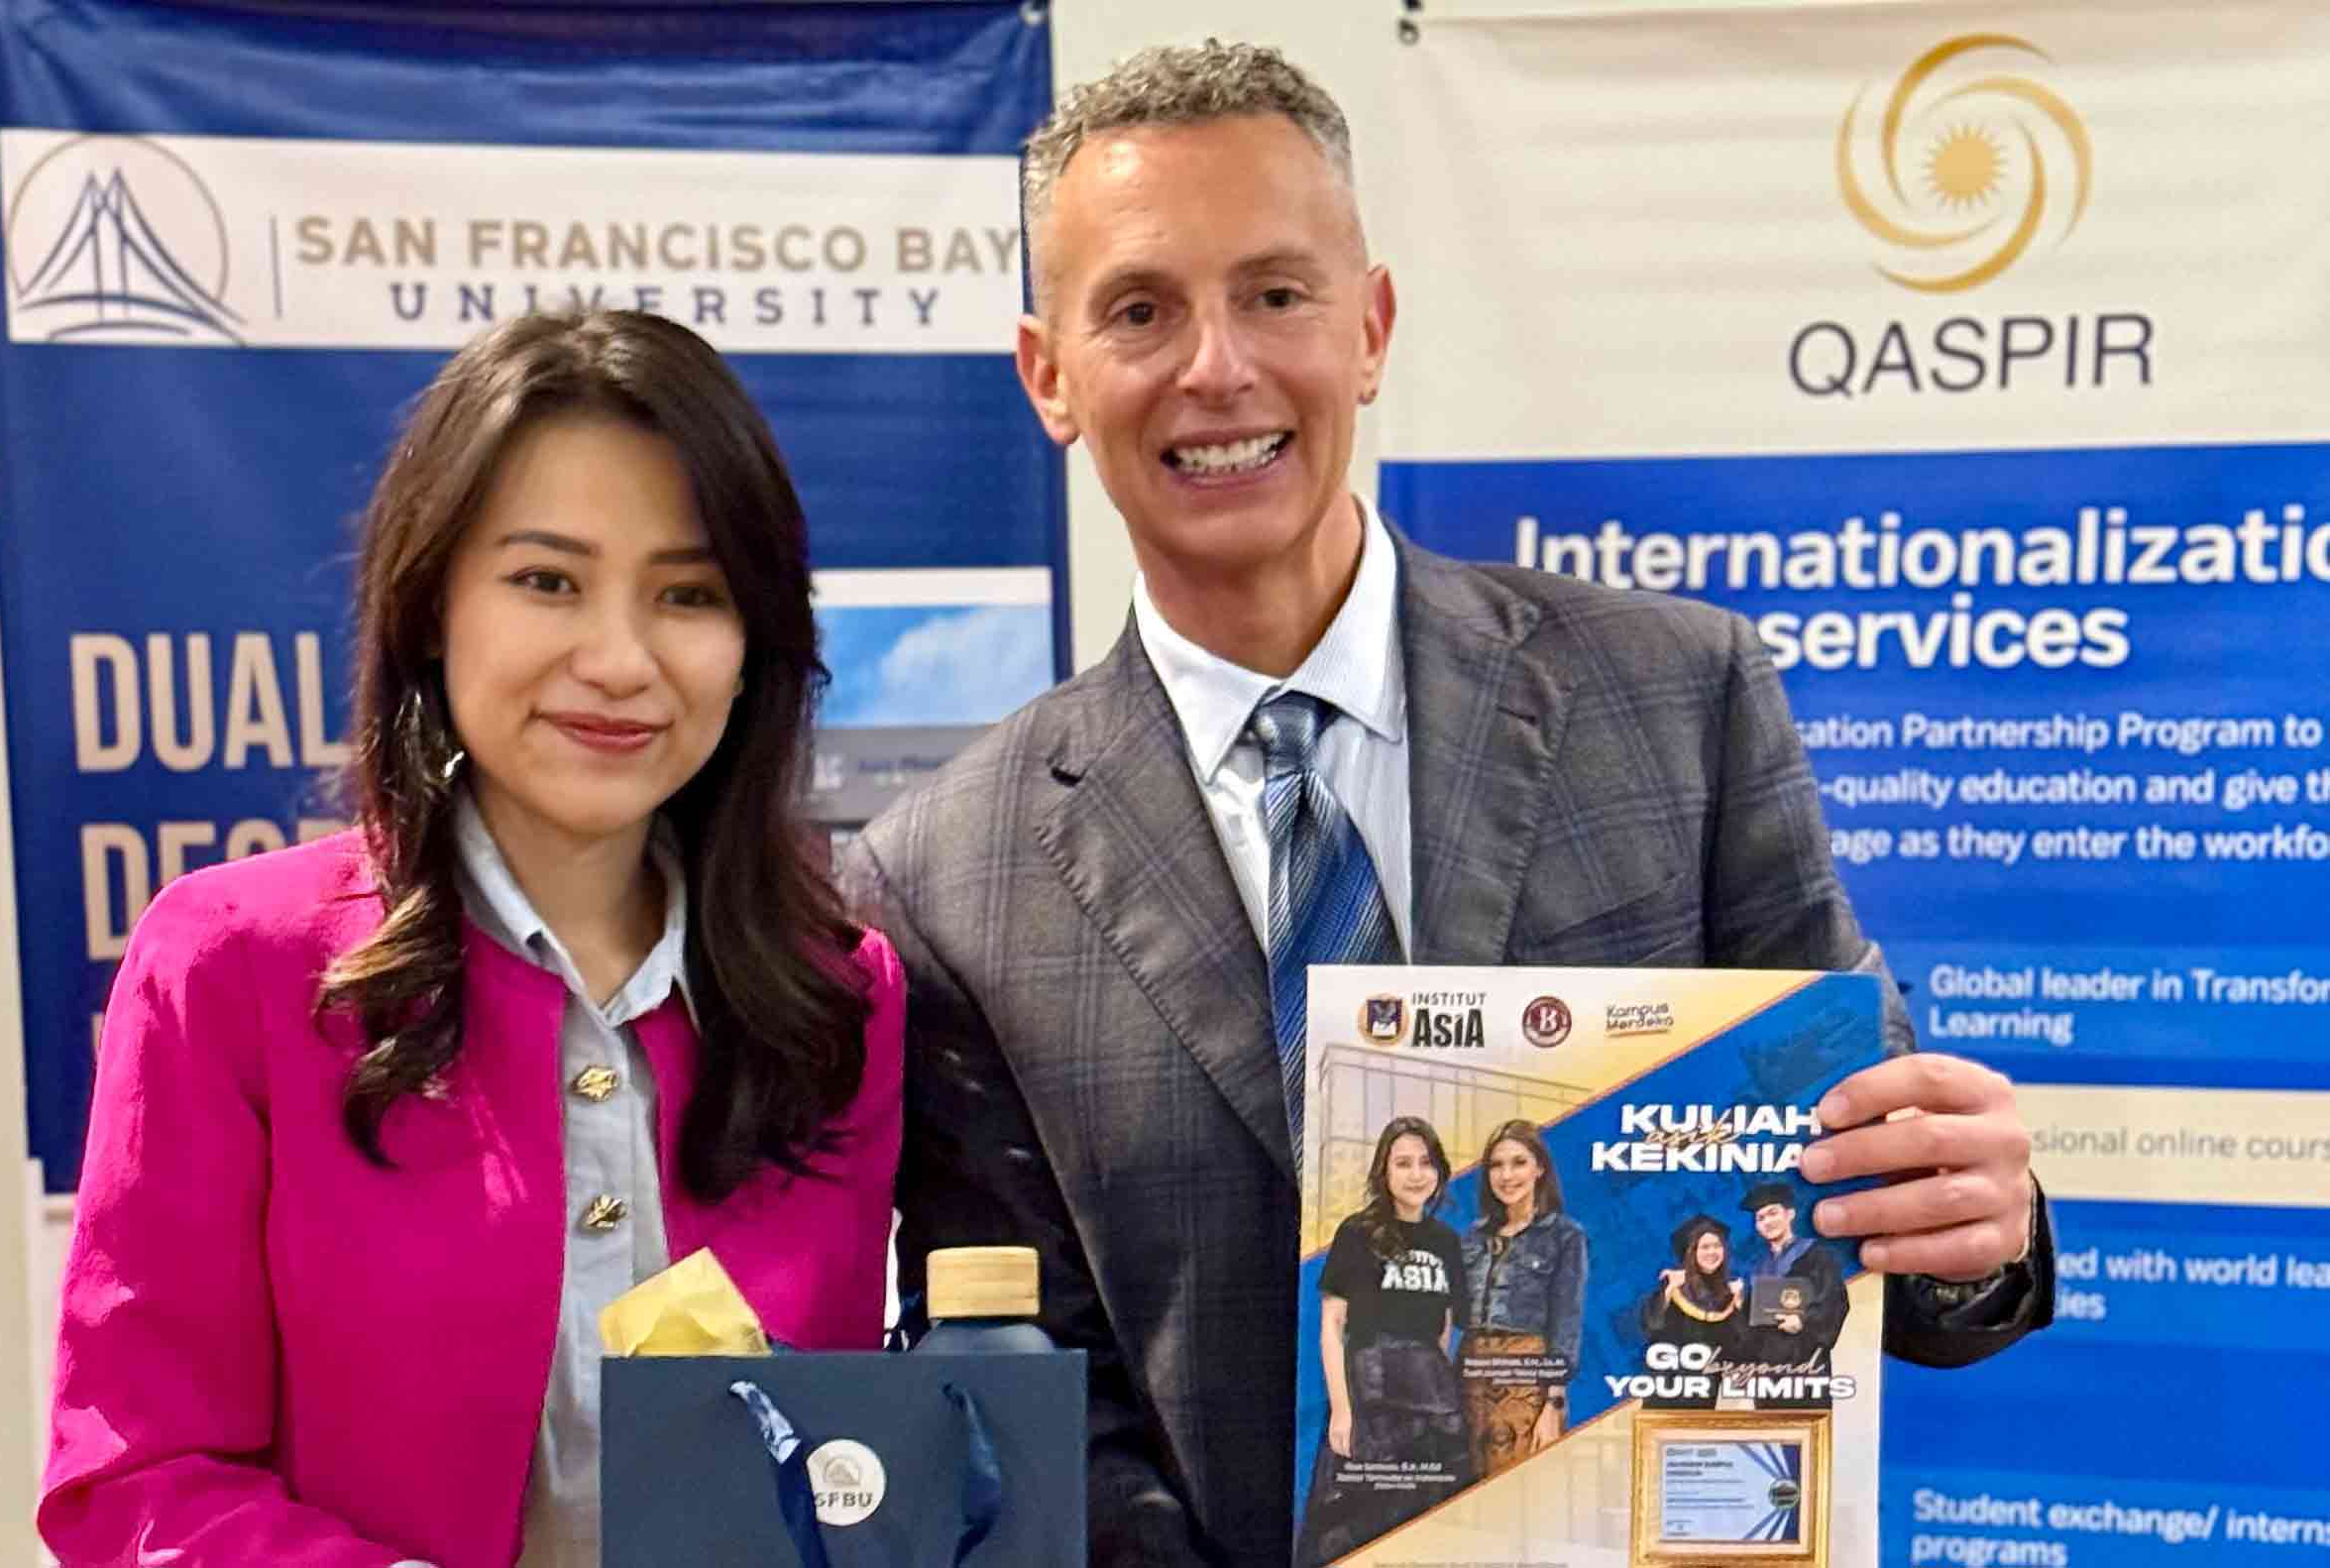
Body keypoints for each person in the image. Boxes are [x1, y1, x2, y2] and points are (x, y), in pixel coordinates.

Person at [840, 42, 2053, 1566]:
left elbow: (1852, 1205)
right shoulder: (945, 877)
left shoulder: (1677, 697)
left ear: (1370, 327)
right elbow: (1034, 1392)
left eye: (1277, 293)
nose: (1216, 365)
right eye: (1140, 309)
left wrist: (1960, 1224)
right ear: (1049, 376)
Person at [39, 310, 906, 1568]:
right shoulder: (232, 964)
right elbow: (137, 1479)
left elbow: (851, 1477)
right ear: (432, 603)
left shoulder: (839, 1001)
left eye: (687, 594)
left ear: (752, 642)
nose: (617, 659)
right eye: (546, 580)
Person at [1299, 1117, 1472, 1564]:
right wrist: (1342, 1410)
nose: (1416, 1174)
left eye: (1426, 1163)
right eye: (1403, 1163)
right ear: (1384, 1172)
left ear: (1439, 1172)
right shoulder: (1356, 1233)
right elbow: (1331, 1327)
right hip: (1369, 1401)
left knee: (1425, 1523)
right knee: (1355, 1523)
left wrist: (1438, 1393)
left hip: (1431, 1406)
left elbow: (1444, 1329)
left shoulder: (1447, 1241)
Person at [1456, 1121, 1588, 1476]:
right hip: (1468, 1371)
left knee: (1518, 1482)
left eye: (1518, 1162)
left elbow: (1567, 1320)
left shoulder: (1564, 1235)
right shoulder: (1472, 1236)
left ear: (1539, 1168)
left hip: (1527, 1376)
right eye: (1497, 1165)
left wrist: (1554, 1404)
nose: (1507, 1175)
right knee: (1464, 1488)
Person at [1734, 1181, 1851, 1409]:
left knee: (1807, 1429)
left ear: (1790, 1214)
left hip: (1806, 1361)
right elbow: (1751, 1322)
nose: (1767, 1222)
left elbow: (1835, 1299)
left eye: (1772, 1213)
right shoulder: (1759, 1266)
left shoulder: (1816, 1256)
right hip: (1767, 1368)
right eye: (1760, 1218)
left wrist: (1802, 1321)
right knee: (1771, 1433)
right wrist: (1740, 1304)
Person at [1639, 1215, 1744, 1410]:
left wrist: (1739, 1306)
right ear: (1691, 1251)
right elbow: (1651, 1326)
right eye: (1704, 1247)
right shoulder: (1673, 1284)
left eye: (1717, 1245)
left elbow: (1736, 1348)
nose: (1712, 1252)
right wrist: (1668, 1292)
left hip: (1705, 1390)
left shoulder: (1728, 1293)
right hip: (1669, 1386)